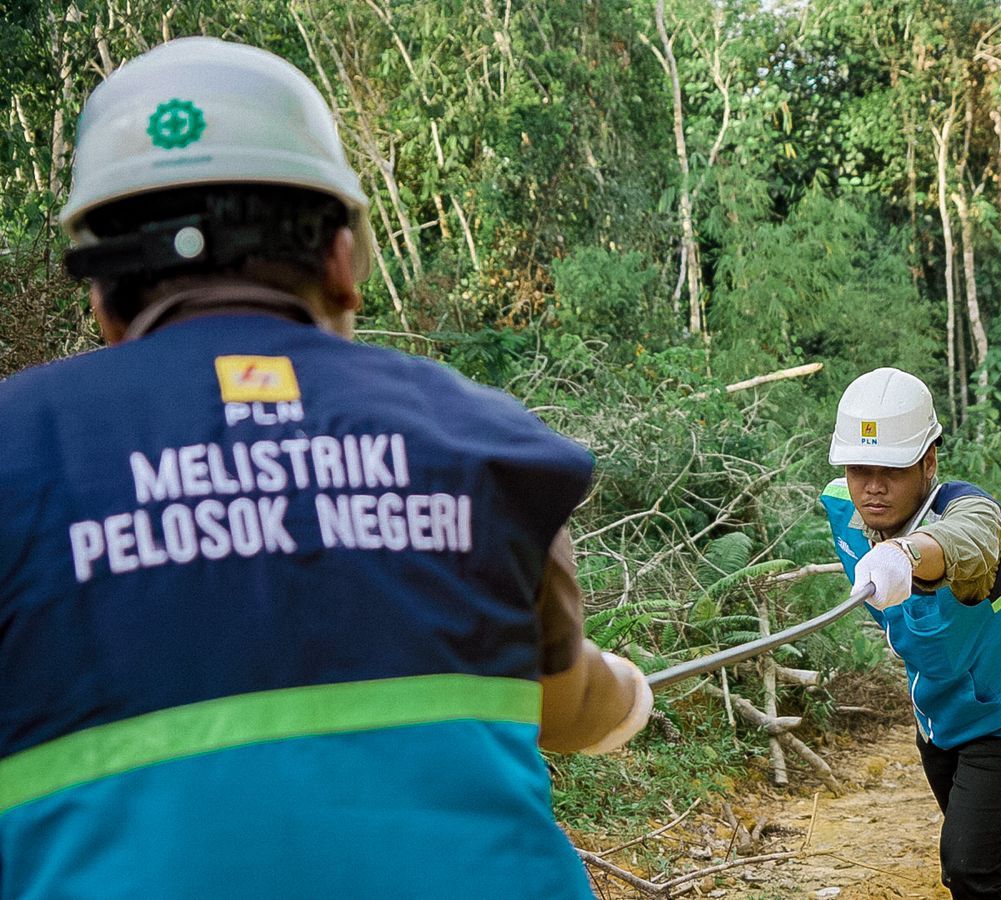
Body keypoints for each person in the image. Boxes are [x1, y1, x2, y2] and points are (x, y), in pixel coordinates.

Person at [0, 37, 650, 898]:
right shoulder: (487, 444)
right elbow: (566, 702)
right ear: (343, 262)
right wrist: (629, 694)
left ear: (101, 295)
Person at [820, 367, 1001, 900]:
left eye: (894, 468)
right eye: (859, 468)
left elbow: (963, 540)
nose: (874, 486)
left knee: (968, 866)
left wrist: (905, 555)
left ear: (929, 461)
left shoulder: (973, 513)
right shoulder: (844, 510)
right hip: (939, 716)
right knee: (989, 854)